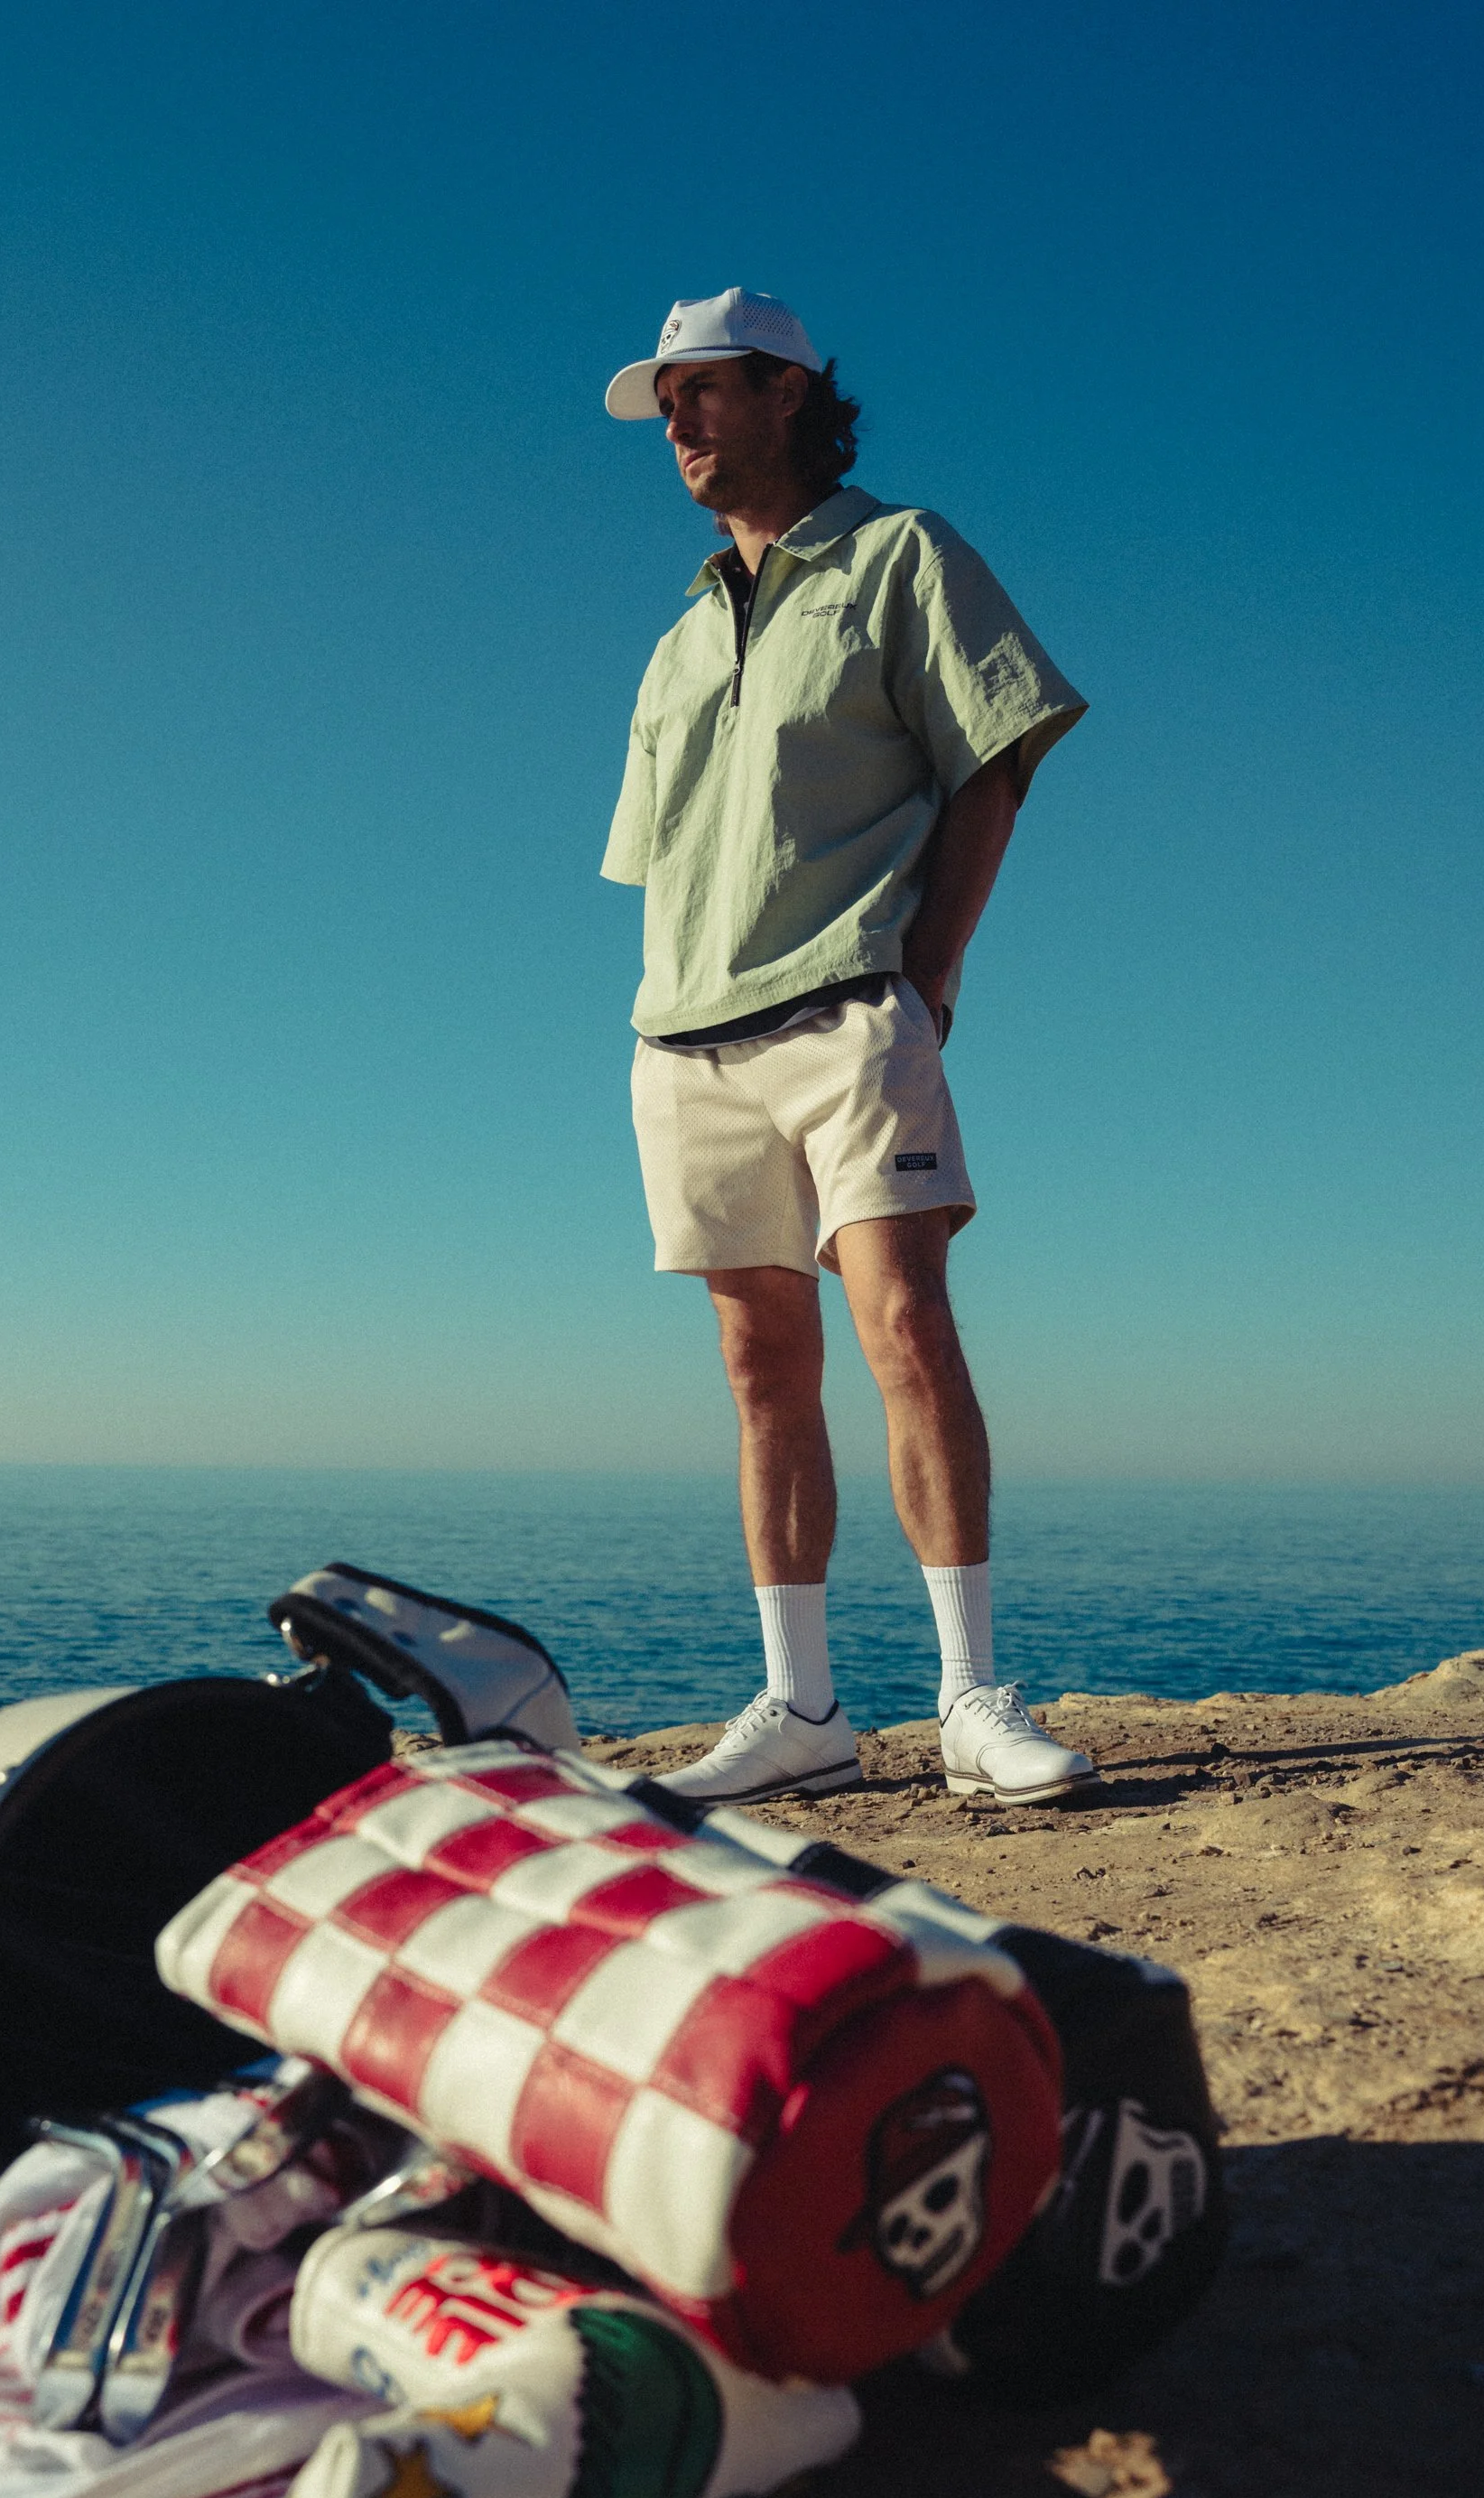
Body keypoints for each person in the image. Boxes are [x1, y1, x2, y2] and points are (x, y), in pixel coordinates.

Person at [601, 287, 1098, 1809]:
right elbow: (671, 860)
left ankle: (970, 1698)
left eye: (699, 391)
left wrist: (930, 974)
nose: (673, 423)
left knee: (901, 1321)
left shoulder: (902, 556)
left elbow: (996, 759)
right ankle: (802, 1709)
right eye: (664, 401)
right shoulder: (682, 638)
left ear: (789, 393)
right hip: (685, 1036)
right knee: (762, 1367)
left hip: (852, 1010)